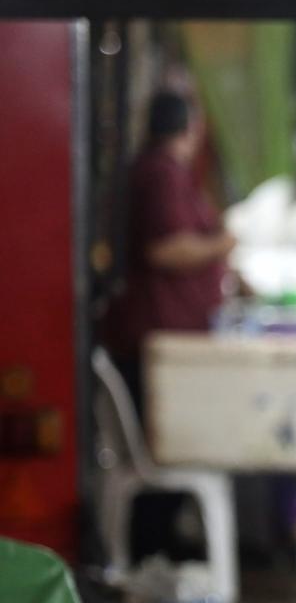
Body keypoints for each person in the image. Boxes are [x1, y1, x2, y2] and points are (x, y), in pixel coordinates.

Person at [104, 90, 237, 405]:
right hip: (156, 336)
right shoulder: (162, 173)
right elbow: (166, 250)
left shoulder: (169, 171)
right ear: (191, 126)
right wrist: (222, 245)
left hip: (170, 338)